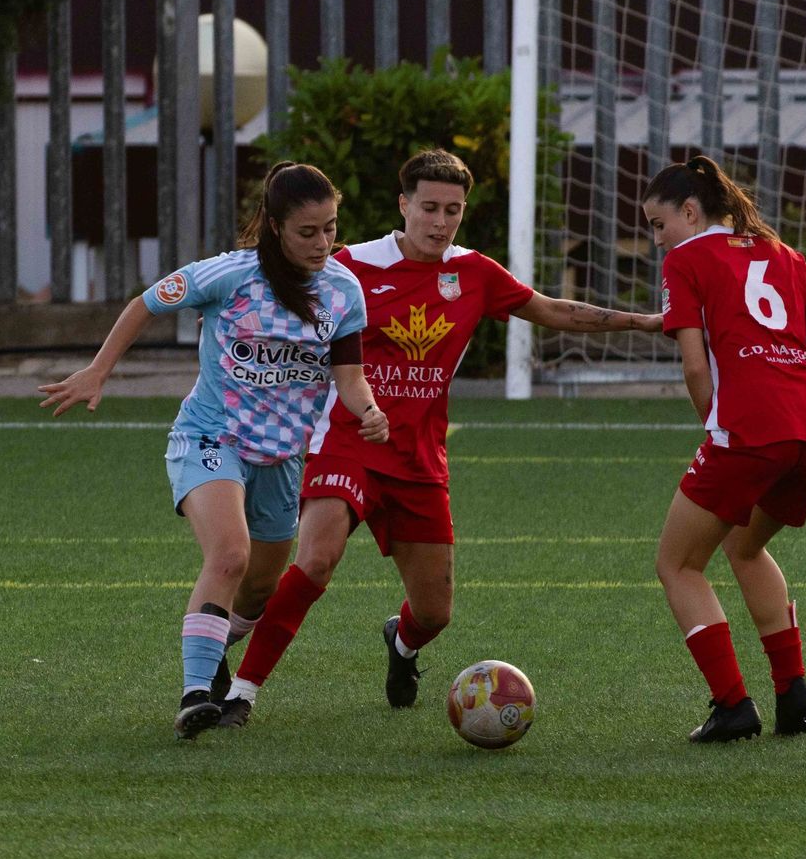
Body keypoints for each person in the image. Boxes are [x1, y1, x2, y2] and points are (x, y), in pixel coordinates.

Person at [214, 149, 662, 726]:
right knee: (318, 559)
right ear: (404, 205)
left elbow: (551, 310)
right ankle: (242, 693)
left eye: (453, 210)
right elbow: (272, 296)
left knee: (435, 612)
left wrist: (640, 322)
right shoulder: (350, 266)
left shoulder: (474, 273)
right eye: (429, 207)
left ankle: (401, 643)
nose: (440, 221)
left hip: (421, 459)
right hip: (347, 440)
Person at [40, 161, 388, 738]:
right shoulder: (229, 275)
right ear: (274, 226)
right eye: (308, 231)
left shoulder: (343, 290)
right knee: (230, 554)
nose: (323, 242)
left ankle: (216, 640)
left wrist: (369, 410)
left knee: (260, 587)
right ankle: (196, 694)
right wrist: (99, 370)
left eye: (330, 227)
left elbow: (348, 379)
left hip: (281, 458)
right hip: (210, 436)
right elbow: (145, 303)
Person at [644, 155, 806, 743]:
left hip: (748, 433)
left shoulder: (685, 259)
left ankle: (732, 704)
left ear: (690, 212)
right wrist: (789, 380)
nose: (657, 239)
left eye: (660, 224)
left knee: (677, 564)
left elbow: (693, 366)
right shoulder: (780, 252)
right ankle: (792, 687)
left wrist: (717, 423)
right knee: (745, 547)